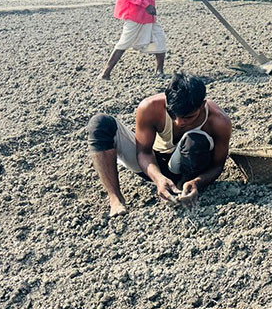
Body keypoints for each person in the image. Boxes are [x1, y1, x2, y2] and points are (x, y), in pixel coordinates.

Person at [86, 72, 232, 216]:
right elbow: (144, 152)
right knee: (99, 123)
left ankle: (182, 187)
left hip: (190, 167)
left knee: (193, 141)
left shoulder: (219, 121)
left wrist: (197, 182)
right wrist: (158, 178)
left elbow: (217, 165)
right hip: (153, 163)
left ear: (202, 105)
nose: (178, 122)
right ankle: (115, 199)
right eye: (172, 114)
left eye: (188, 117)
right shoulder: (150, 107)